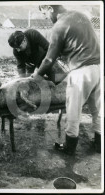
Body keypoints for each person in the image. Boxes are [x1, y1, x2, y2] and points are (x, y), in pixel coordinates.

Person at [32, 5, 101, 154]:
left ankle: (69, 148)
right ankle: (99, 145)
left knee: (73, 111)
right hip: (99, 68)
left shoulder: (60, 25)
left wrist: (37, 75)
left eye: (44, 13)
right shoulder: (81, 15)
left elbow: (49, 59)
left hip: (81, 72)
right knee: (97, 110)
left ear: (49, 8)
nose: (45, 17)